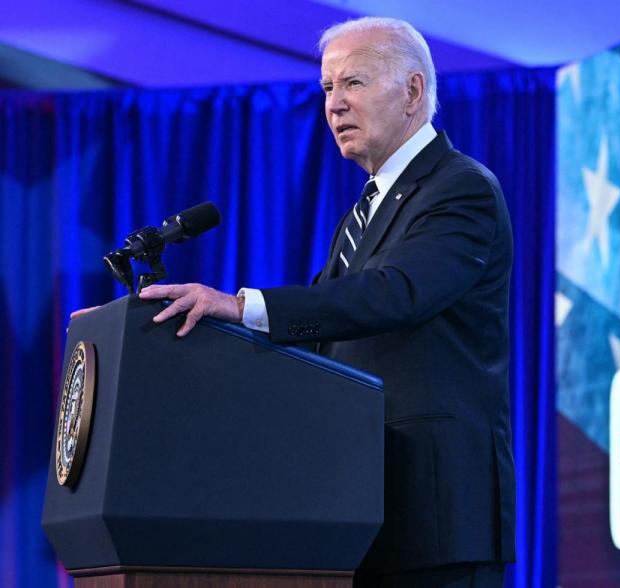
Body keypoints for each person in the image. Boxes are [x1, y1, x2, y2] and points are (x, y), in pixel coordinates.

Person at [137, 16, 516, 587]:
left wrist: (240, 306)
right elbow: (322, 329)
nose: (334, 105)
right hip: (363, 506)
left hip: (435, 514)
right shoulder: (363, 212)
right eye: (327, 89)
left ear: (413, 91)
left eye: (354, 84)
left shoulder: (459, 188)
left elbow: (396, 292)